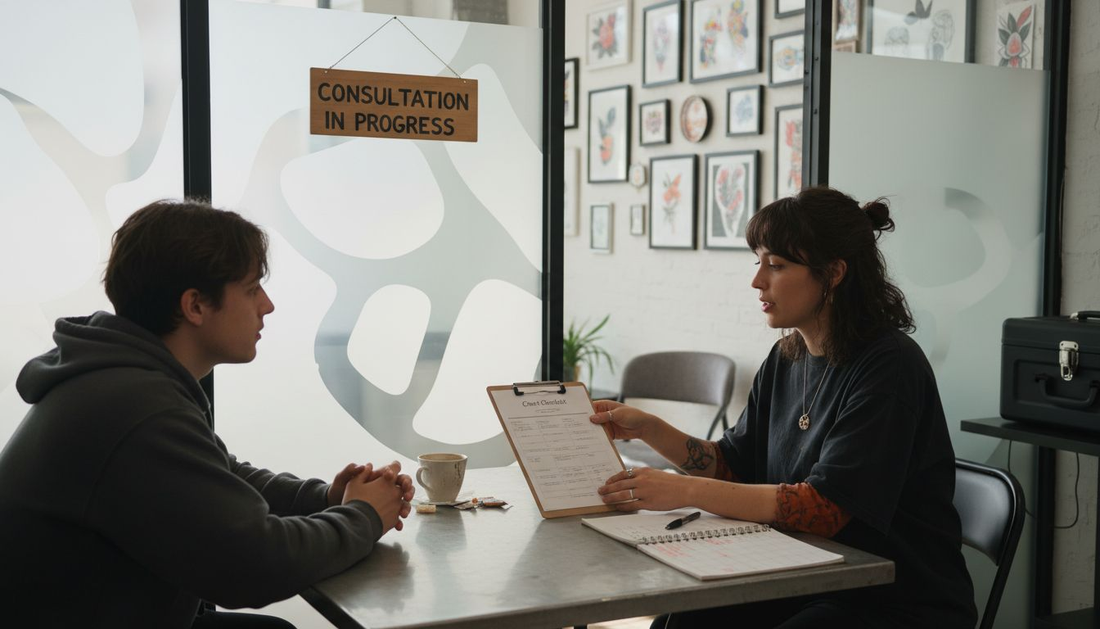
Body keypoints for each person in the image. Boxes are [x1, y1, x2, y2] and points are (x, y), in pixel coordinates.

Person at [0, 200, 414, 628]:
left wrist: (324, 499)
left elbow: (219, 475)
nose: (267, 305)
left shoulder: (123, 382)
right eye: (253, 289)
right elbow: (253, 567)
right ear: (195, 306)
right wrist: (364, 516)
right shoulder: (135, 407)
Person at [591, 187, 977, 628]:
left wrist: (681, 490)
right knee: (678, 623)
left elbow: (826, 508)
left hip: (893, 598)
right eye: (758, 262)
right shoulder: (787, 356)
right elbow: (734, 465)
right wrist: (649, 428)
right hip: (806, 576)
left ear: (833, 274)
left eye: (776, 265)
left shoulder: (889, 367)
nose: (758, 281)